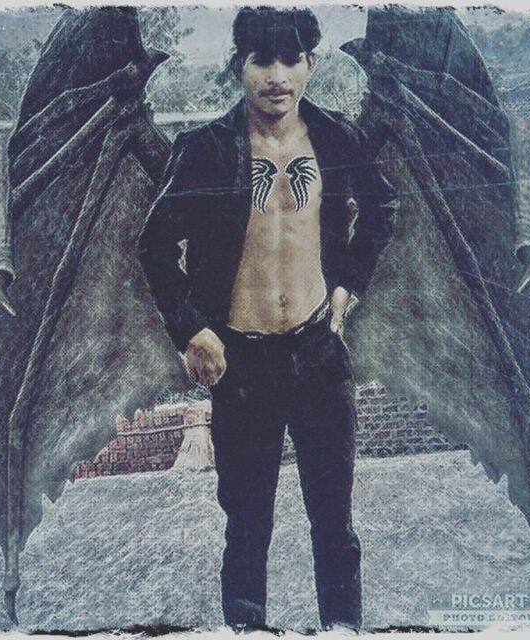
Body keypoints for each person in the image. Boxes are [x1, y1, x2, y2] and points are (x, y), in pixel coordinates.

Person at [137, 6, 398, 632]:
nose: (276, 75)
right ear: (239, 66)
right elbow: (154, 246)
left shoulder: (336, 139)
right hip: (243, 366)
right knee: (248, 528)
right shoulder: (205, 150)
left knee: (334, 526)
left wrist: (348, 286)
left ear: (311, 66)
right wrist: (192, 328)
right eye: (261, 60)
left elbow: (382, 205)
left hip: (318, 353)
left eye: (290, 59)